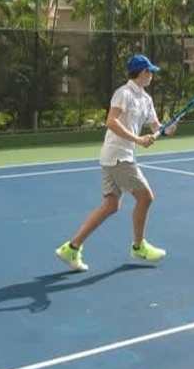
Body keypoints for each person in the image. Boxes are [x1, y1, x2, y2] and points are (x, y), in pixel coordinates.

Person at [55, 54, 176, 272]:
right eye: (149, 71)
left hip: (115, 157)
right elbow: (111, 122)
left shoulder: (146, 99)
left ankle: (71, 248)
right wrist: (138, 139)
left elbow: (157, 127)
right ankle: (139, 246)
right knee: (146, 197)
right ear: (140, 72)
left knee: (111, 206)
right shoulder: (124, 94)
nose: (152, 75)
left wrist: (167, 129)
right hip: (119, 156)